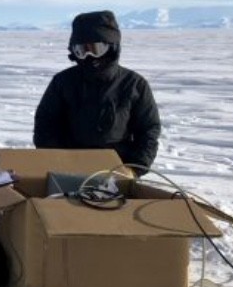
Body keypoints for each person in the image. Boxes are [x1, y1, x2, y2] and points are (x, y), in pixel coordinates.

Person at [33, 10, 161, 174]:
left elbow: (148, 130)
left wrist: (135, 168)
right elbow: (45, 124)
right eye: (81, 50)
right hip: (69, 168)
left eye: (95, 49)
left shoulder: (134, 84)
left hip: (117, 169)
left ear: (112, 47)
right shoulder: (63, 82)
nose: (89, 56)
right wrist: (57, 161)